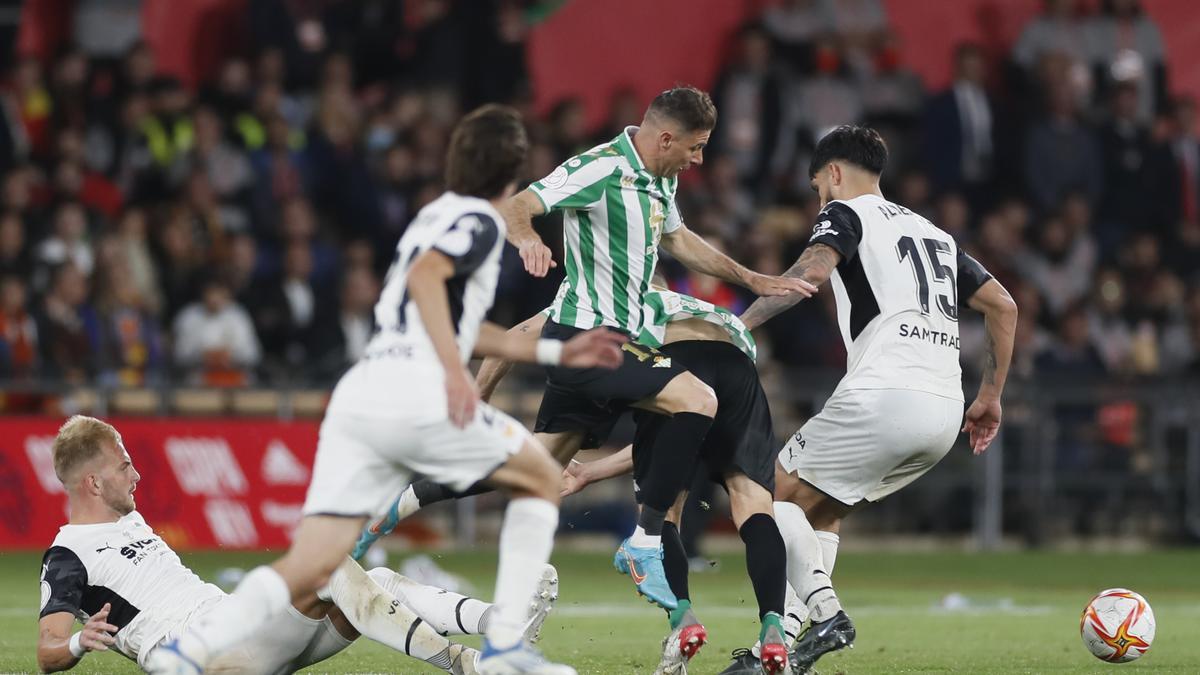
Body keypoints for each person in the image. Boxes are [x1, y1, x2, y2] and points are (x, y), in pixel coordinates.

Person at [146, 104, 627, 675]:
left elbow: (457, 321)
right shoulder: (477, 221)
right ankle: (504, 650)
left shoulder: (433, 216)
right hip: (410, 390)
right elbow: (426, 281)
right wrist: (455, 372)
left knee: (315, 560)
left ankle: (187, 653)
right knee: (543, 475)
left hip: (362, 392)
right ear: (510, 175)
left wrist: (554, 352)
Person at [359, 286, 792, 674]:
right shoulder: (692, 303)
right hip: (739, 367)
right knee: (753, 505)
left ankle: (682, 619)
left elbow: (511, 341)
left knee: (656, 512)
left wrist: (477, 402)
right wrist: (591, 472)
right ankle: (773, 626)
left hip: (674, 363)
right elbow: (674, 437)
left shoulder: (597, 294)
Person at [502, 85, 814, 610]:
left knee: (544, 463)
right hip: (589, 340)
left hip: (631, 345)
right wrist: (528, 238)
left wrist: (751, 278)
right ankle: (644, 542)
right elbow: (519, 205)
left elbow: (679, 239)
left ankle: (406, 509)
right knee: (541, 463)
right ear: (666, 138)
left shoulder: (660, 178)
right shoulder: (600, 167)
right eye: (696, 147)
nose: (699, 160)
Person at [720, 125, 1018, 673]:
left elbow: (810, 272)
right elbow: (1004, 305)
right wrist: (990, 397)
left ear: (833, 174)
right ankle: (777, 654)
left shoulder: (845, 213)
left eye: (817, 188)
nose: (819, 200)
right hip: (944, 410)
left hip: (886, 395)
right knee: (822, 510)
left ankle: (827, 614)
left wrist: (738, 326)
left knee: (761, 497)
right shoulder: (933, 233)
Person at [36, 415, 556, 674]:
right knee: (330, 565)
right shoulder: (67, 556)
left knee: (372, 581)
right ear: (93, 483)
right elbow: (47, 650)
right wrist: (79, 643)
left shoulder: (128, 521)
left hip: (237, 634)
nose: (136, 473)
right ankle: (471, 664)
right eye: (124, 465)